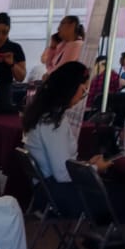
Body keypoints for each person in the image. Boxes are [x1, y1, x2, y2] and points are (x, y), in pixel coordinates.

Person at [24, 61, 98, 216]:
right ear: (71, 87)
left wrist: (88, 165)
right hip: (57, 193)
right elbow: (62, 173)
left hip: (47, 190)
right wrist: (95, 168)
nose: (82, 97)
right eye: (83, 90)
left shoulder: (45, 113)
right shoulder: (51, 121)